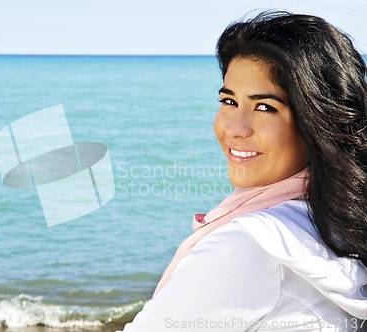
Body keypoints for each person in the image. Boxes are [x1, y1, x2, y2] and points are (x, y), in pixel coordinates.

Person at [118, 12, 367, 331]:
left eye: (266, 107)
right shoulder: (337, 227)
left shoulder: (251, 245)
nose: (234, 129)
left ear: (318, 121)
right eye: (229, 101)